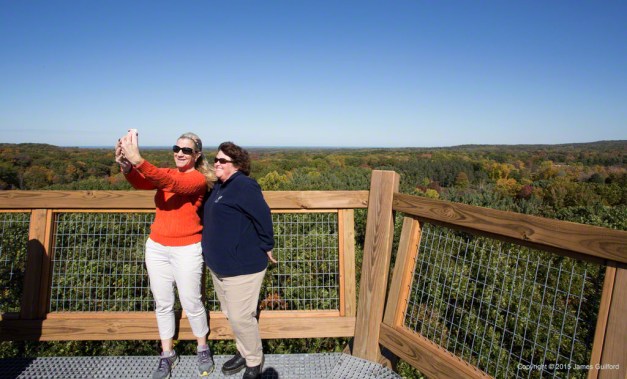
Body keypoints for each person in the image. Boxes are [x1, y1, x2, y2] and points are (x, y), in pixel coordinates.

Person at [115, 130, 216, 379]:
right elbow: (144, 182)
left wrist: (138, 159)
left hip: (187, 247)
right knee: (163, 303)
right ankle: (166, 353)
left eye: (186, 150)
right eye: (176, 148)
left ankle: (202, 347)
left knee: (192, 302)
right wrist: (127, 167)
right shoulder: (167, 173)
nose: (180, 153)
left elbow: (172, 184)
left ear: (197, 155)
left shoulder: (198, 180)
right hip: (157, 246)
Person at [201, 142, 276, 379]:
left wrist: (267, 246)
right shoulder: (219, 187)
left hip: (243, 266)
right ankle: (243, 352)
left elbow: (263, 217)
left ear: (238, 166)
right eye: (216, 159)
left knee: (240, 316)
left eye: (223, 161)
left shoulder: (244, 186)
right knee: (230, 312)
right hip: (219, 266)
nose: (217, 164)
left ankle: (254, 361)